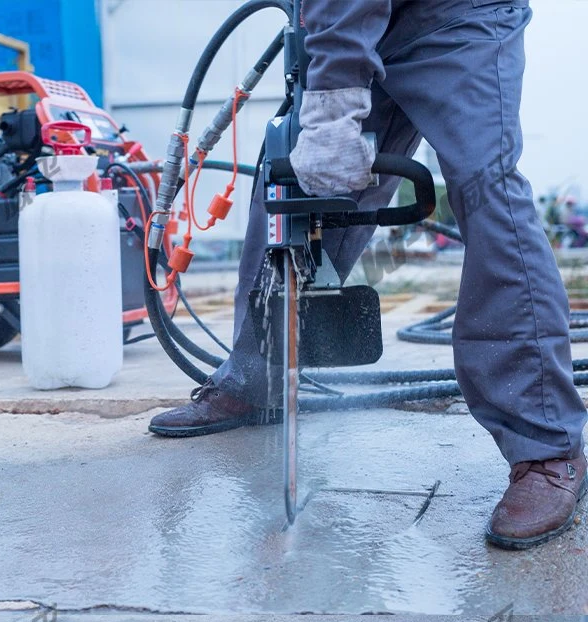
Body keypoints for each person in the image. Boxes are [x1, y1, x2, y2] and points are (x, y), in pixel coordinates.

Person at [149, 0, 588, 551]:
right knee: (290, 174)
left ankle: (545, 444)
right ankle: (258, 374)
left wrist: (334, 96)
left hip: (458, 16)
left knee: (486, 187)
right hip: (350, 22)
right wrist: (328, 88)